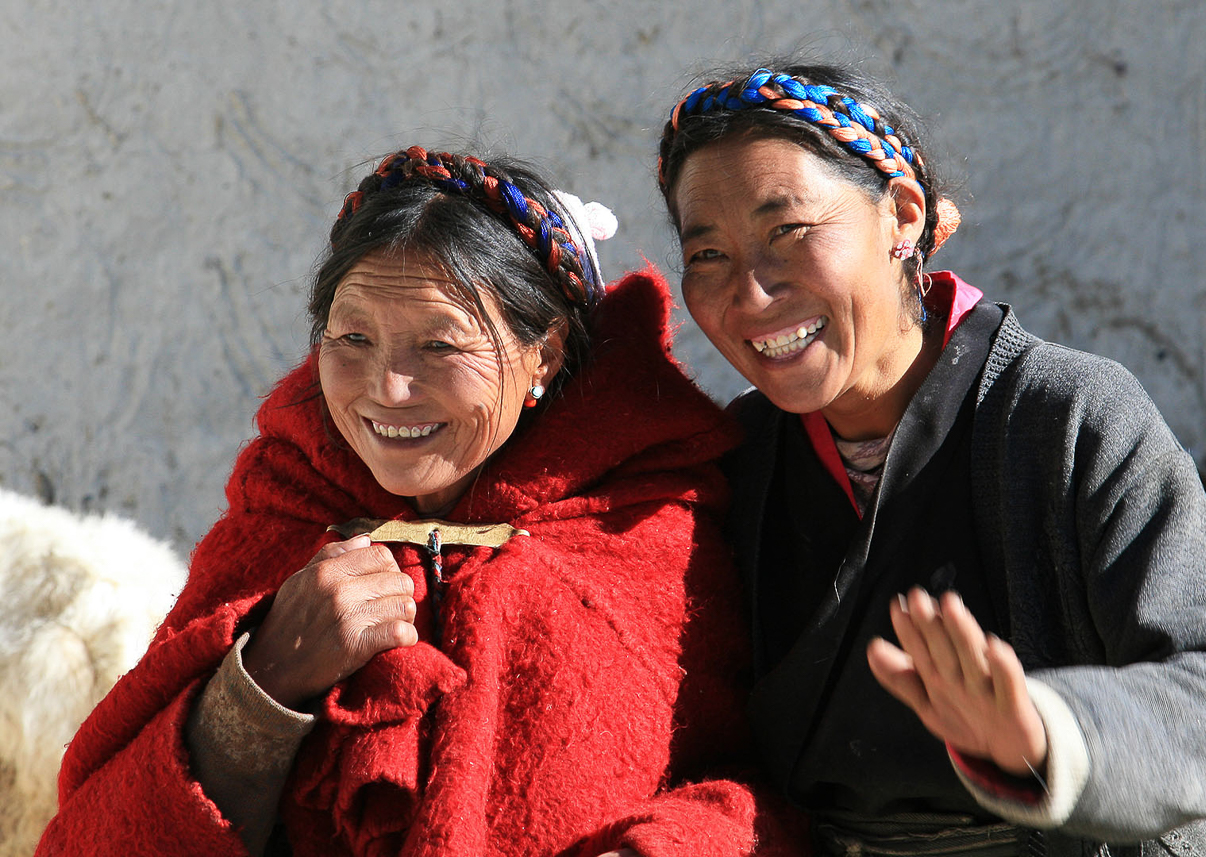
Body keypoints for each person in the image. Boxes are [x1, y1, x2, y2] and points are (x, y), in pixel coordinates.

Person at [38, 147, 807, 857]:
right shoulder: (284, 515)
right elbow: (97, 833)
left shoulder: (643, 530)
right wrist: (264, 680)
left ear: (544, 352)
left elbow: (757, 789)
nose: (388, 389)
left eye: (439, 345)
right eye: (353, 339)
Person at [656, 62, 1206, 856]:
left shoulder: (1070, 414)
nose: (749, 293)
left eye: (788, 230)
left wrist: (1047, 729)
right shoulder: (736, 466)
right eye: (707, 255)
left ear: (902, 218)